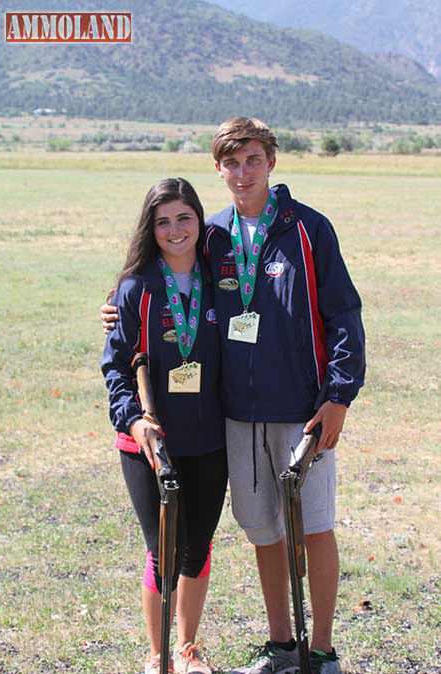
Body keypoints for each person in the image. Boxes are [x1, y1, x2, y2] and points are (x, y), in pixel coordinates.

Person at [102, 118, 366, 674]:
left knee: (313, 527)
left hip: (303, 412)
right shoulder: (214, 235)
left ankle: (322, 650)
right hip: (236, 418)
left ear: (271, 161)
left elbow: (344, 315)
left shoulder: (308, 230)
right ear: (218, 170)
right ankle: (281, 647)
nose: (243, 173)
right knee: (265, 532)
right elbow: (158, 280)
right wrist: (114, 304)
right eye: (231, 163)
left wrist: (338, 396)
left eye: (252, 160)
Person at [101, 178, 228, 674]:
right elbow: (115, 365)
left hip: (209, 437)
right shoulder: (136, 288)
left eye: (184, 218)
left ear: (200, 219)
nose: (175, 230)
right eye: (163, 222)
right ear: (149, 229)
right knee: (163, 547)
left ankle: (188, 648)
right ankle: (158, 657)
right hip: (149, 443)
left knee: (198, 544)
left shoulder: (222, 276)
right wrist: (133, 421)